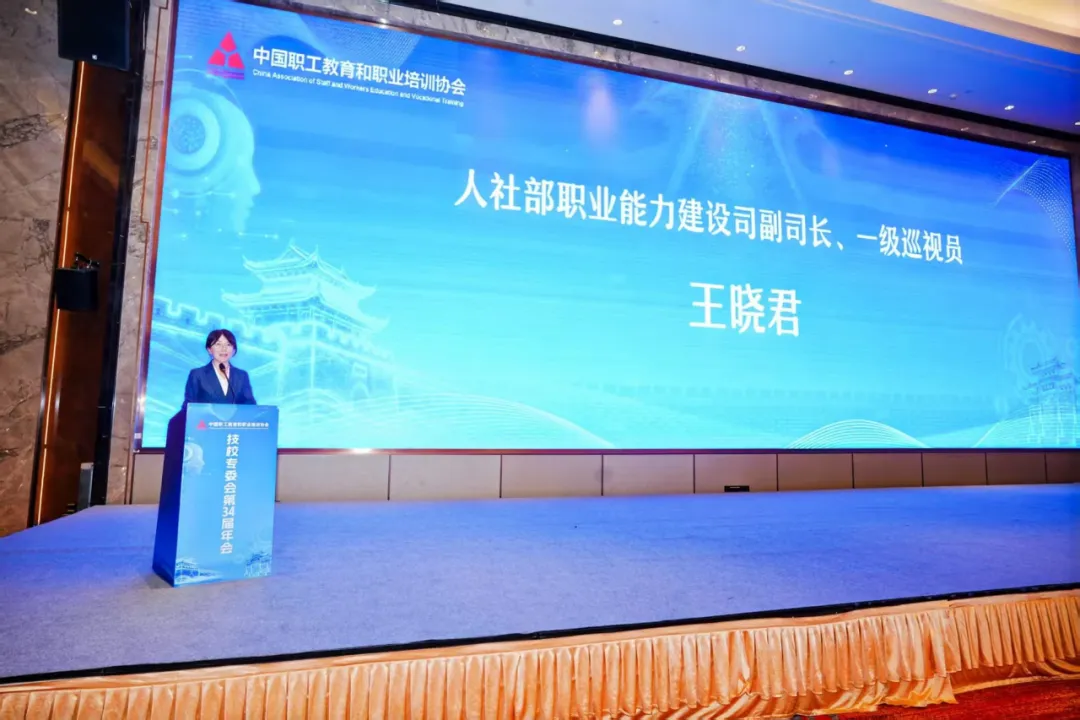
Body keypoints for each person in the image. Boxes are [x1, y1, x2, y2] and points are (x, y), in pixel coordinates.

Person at [184, 329, 257, 405]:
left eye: (228, 344)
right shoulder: (197, 374)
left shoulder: (242, 375)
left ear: (234, 350)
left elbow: (250, 405)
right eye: (218, 344)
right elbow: (189, 406)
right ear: (209, 349)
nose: (223, 348)